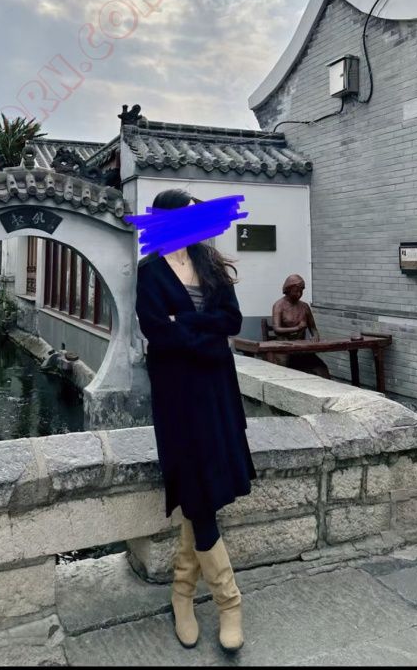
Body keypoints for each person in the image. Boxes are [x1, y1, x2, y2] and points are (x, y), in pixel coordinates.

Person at [135, 188, 257, 654]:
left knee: (202, 490)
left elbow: (232, 320)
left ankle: (182, 592)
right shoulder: (149, 271)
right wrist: (201, 331)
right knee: (195, 487)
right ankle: (230, 602)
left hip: (216, 389)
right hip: (177, 394)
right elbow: (157, 332)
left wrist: (184, 320)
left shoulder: (209, 264)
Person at [270, 273, 330, 379]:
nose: (299, 294)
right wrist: (297, 328)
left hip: (301, 348)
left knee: (322, 369)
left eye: (301, 291)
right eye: (296, 291)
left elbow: (313, 328)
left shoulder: (304, 306)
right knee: (284, 373)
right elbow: (276, 329)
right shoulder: (279, 305)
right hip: (284, 347)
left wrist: (315, 336)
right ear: (288, 290)